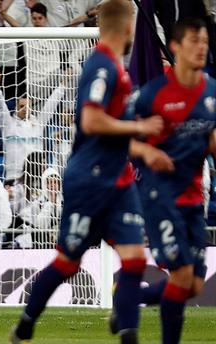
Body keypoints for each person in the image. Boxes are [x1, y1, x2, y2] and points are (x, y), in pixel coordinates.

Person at [9, 1, 164, 343]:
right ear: (126, 28)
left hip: (119, 181)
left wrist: (143, 149)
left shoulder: (117, 69)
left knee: (135, 258)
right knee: (68, 263)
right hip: (89, 182)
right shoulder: (101, 67)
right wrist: (138, 127)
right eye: (134, 26)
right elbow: (93, 122)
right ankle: (25, 324)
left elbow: (114, 132)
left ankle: (128, 334)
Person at [127, 18, 214, 344]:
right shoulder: (153, 94)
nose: (201, 47)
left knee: (194, 285)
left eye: (204, 40)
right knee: (180, 275)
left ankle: (131, 302)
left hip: (193, 197)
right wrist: (146, 153)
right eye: (194, 41)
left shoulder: (212, 92)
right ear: (175, 47)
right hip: (161, 196)